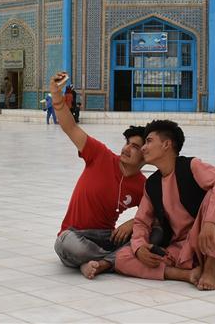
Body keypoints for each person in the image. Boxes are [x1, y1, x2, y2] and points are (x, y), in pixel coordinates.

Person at [114, 120, 215, 291]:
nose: (143, 148)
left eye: (149, 141)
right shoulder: (152, 184)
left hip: (213, 243)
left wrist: (209, 223)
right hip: (182, 251)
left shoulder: (191, 166)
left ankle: (210, 268)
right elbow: (141, 222)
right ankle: (185, 275)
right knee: (122, 258)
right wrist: (140, 247)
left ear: (166, 144)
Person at [51, 71, 147, 280]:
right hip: (73, 234)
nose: (127, 149)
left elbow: (156, 216)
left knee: (148, 237)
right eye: (127, 143)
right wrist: (57, 97)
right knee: (73, 247)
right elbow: (70, 127)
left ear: (145, 155)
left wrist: (133, 223)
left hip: (105, 236)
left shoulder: (142, 185)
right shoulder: (100, 155)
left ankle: (100, 263)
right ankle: (112, 261)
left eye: (135, 147)